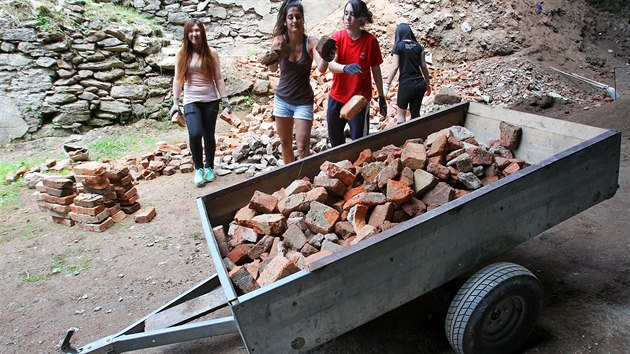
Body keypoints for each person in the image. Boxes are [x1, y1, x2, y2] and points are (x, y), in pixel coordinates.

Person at [171, 19, 232, 187]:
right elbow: (178, 79)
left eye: (197, 30)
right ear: (186, 34)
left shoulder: (211, 53)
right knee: (195, 133)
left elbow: (218, 78)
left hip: (210, 100)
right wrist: (175, 102)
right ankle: (198, 168)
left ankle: (209, 167)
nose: (194, 34)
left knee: (208, 134)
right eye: (191, 31)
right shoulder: (182, 53)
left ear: (202, 33)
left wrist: (225, 100)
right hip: (191, 100)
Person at [267, 0, 329, 164]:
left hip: (303, 101)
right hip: (282, 100)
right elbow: (273, 69)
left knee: (302, 147)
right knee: (285, 144)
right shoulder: (280, 40)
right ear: (285, 21)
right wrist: (274, 52)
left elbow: (321, 67)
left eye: (298, 17)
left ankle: (305, 182)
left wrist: (328, 55)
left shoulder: (311, 42)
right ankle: (292, 183)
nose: (294, 20)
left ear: (302, 19)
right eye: (291, 17)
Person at [325, 0, 386, 147]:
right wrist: (345, 68)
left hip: (359, 99)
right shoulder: (337, 38)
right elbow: (331, 65)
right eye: (346, 14)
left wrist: (381, 96)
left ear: (361, 18)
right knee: (335, 143)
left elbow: (376, 69)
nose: (348, 18)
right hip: (337, 98)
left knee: (359, 144)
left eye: (352, 14)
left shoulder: (370, 41)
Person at [384, 23, 432, 124]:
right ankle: (416, 137)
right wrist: (428, 83)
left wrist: (387, 85)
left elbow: (395, 66)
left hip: (406, 85)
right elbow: (423, 66)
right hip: (420, 85)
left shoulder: (399, 46)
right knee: (415, 115)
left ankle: (403, 138)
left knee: (401, 116)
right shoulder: (419, 47)